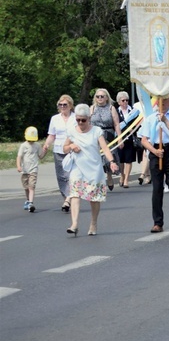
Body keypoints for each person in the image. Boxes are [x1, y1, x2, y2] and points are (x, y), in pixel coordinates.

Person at [62, 104, 119, 236]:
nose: (80, 123)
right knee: (75, 194)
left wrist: (112, 162)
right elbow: (64, 148)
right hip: (78, 168)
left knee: (94, 198)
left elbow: (105, 148)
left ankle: (93, 223)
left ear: (89, 118)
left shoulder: (96, 131)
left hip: (94, 169)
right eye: (78, 120)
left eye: (83, 120)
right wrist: (71, 145)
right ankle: (74, 224)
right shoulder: (72, 131)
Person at [139, 97, 169, 233]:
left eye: (164, 100)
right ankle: (158, 222)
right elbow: (144, 139)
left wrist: (165, 121)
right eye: (159, 100)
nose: (162, 103)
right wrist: (154, 151)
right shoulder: (151, 117)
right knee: (157, 188)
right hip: (156, 151)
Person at [43, 94, 76, 212]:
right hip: (58, 149)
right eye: (60, 105)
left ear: (70, 105)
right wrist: (46, 145)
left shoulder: (76, 117)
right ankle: (66, 199)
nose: (62, 106)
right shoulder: (55, 118)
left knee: (70, 175)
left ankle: (68, 199)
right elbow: (52, 134)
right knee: (61, 176)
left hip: (72, 150)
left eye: (65, 105)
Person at [90, 88, 122, 191]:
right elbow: (88, 123)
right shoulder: (92, 108)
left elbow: (116, 124)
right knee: (97, 159)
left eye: (102, 96)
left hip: (108, 135)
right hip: (95, 135)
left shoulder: (111, 108)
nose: (99, 98)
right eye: (97, 96)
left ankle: (109, 176)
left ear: (106, 98)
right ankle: (98, 180)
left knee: (109, 157)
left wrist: (120, 138)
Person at [18, 126, 46, 212]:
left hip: (33, 170)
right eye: (30, 139)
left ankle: (31, 203)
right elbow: (19, 156)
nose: (31, 141)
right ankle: (27, 200)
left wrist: (45, 150)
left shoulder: (37, 146)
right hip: (25, 170)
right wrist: (18, 166)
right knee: (26, 187)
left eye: (33, 139)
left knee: (32, 186)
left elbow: (40, 156)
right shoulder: (23, 146)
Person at [115, 91, 138, 188]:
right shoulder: (116, 111)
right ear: (119, 102)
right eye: (123, 100)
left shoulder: (133, 111)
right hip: (119, 137)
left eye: (127, 100)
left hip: (130, 138)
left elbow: (138, 123)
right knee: (120, 159)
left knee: (128, 159)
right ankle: (122, 175)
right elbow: (114, 125)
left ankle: (126, 180)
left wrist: (134, 128)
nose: (125, 102)